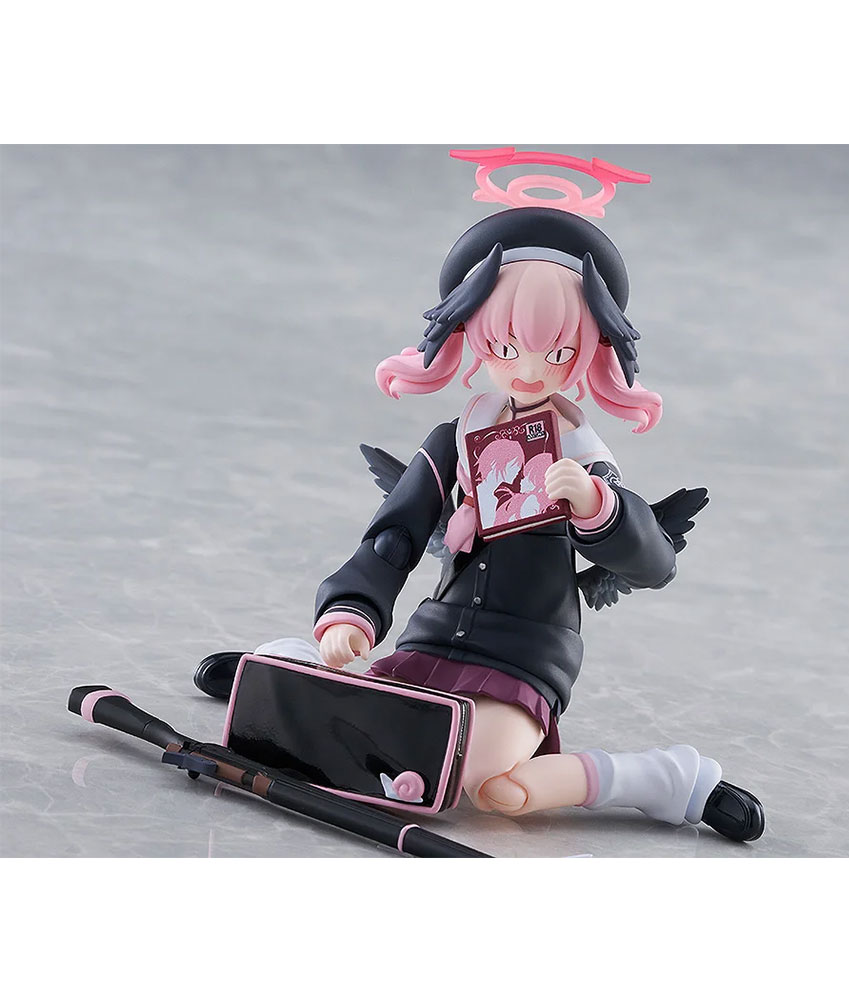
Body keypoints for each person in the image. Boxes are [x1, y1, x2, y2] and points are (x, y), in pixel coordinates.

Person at [196, 197, 765, 843]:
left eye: (559, 353)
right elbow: (394, 536)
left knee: (492, 785)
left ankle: (660, 778)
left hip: (527, 653)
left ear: (592, 348)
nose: (530, 370)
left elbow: (654, 563)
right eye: (505, 347)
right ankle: (290, 669)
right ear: (471, 334)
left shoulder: (583, 458)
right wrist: (351, 611)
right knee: (393, 740)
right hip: (435, 633)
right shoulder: (456, 440)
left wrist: (597, 507)